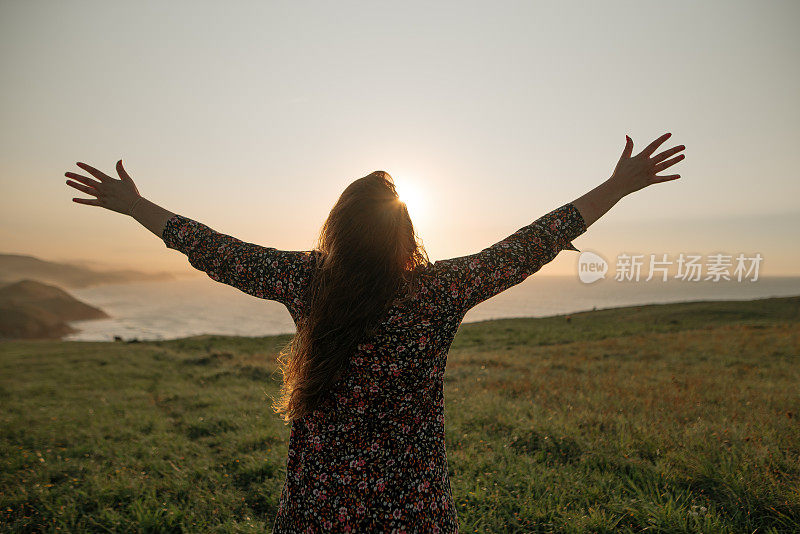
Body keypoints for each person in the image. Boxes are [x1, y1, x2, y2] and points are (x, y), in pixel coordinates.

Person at [64, 132, 685, 532]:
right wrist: (618, 186)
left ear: (336, 228)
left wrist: (137, 207)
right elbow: (530, 245)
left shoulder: (309, 281)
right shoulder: (439, 291)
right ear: (403, 233)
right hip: (414, 503)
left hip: (318, 502)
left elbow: (215, 250)